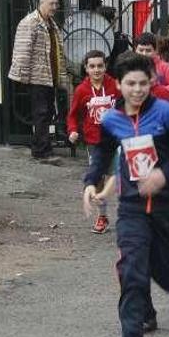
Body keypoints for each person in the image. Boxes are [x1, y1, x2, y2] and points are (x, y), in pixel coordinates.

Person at [82, 53, 169, 337]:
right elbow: (103, 154)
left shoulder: (166, 113)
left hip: (166, 209)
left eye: (143, 83)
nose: (137, 90)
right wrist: (90, 183)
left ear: (152, 82)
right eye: (130, 84)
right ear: (118, 85)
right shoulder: (111, 119)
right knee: (132, 274)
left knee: (165, 274)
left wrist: (164, 175)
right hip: (133, 209)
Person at [7, 0, 69, 165]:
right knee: (42, 113)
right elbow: (22, 52)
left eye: (56, 4)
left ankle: (40, 146)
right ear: (42, 3)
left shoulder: (50, 23)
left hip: (49, 76)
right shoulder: (30, 23)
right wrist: (22, 77)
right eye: (52, 4)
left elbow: (57, 52)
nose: (55, 7)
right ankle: (42, 152)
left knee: (47, 112)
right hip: (37, 77)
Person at [67, 50, 120, 233]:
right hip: (94, 141)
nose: (96, 70)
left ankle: (130, 214)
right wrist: (73, 131)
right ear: (86, 68)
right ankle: (102, 216)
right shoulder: (81, 90)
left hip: (116, 139)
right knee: (98, 178)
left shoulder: (115, 86)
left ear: (105, 66)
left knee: (119, 175)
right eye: (92, 66)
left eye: (100, 66)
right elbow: (73, 115)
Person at [133, 33, 169, 102]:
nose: (144, 54)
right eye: (141, 50)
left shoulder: (164, 67)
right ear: (135, 50)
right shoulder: (131, 66)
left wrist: (158, 90)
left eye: (148, 50)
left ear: (155, 51)